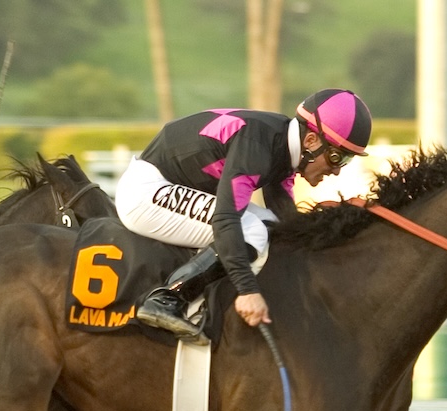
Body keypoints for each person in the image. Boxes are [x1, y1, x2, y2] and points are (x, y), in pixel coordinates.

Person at [114, 89, 372, 341]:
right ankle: (167, 299)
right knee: (252, 231)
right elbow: (226, 219)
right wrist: (248, 291)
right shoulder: (258, 147)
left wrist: (327, 233)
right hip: (146, 193)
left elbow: (285, 220)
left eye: (346, 160)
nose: (337, 171)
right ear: (311, 140)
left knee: (269, 225)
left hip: (168, 185)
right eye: (337, 157)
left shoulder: (280, 142)